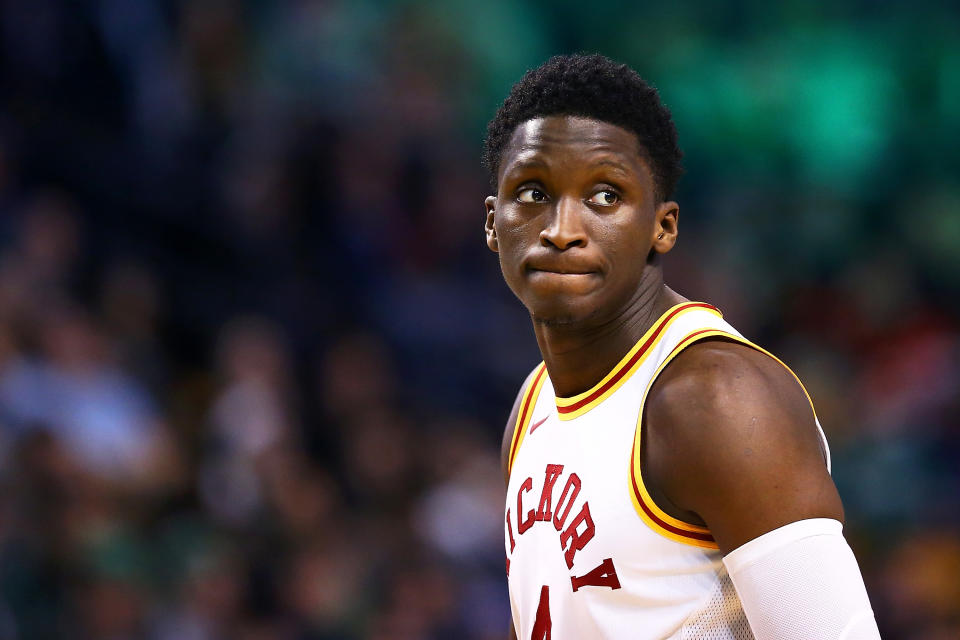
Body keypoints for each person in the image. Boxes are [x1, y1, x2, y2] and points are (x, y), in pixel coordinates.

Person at [483, 54, 880, 640]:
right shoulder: (533, 403)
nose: (562, 228)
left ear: (662, 227)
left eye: (604, 195)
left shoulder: (718, 399)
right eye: (534, 192)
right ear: (494, 222)